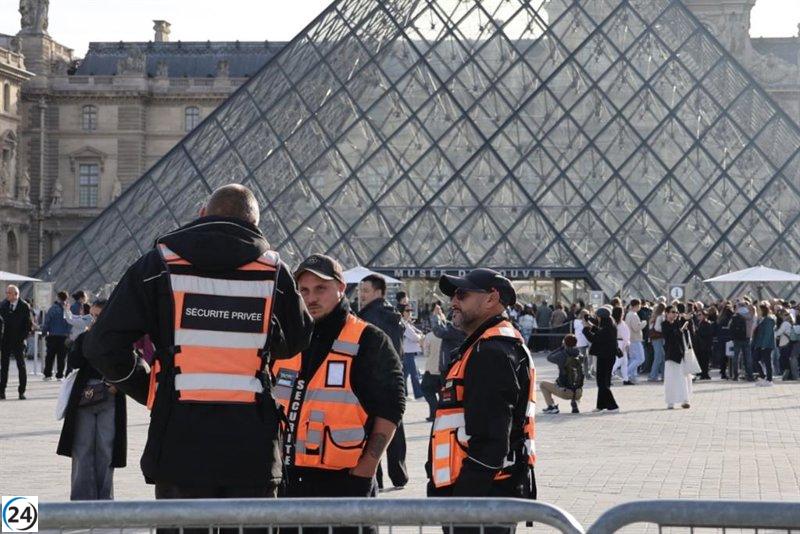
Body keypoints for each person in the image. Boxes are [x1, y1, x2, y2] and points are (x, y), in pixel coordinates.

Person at [84, 184, 313, 501]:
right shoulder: (273, 272)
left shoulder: (158, 265)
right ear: (254, 224)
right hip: (252, 444)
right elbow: (297, 340)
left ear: (202, 214)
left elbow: (102, 345)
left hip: (179, 440)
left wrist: (150, 388)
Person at [272, 254, 404, 523]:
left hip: (344, 484)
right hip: (287, 484)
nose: (311, 298)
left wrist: (367, 468)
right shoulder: (288, 339)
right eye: (304, 290)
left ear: (341, 288)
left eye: (321, 288)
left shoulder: (369, 339)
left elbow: (392, 407)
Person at [428, 268, 536, 513]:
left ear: (491, 298)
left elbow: (491, 441)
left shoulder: (490, 352)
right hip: (484, 495)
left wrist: (462, 503)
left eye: (462, 294)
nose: (453, 301)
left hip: (480, 502)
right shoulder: (486, 345)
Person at [57, 299, 127, 500]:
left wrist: (117, 386)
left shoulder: (120, 339)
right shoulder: (85, 337)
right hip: (83, 398)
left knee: (106, 449)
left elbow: (133, 363)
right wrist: (86, 339)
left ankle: (105, 499)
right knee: (82, 448)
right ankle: (81, 499)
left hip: (110, 397)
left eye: (100, 315)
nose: (95, 319)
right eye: (93, 315)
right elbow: (74, 362)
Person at [357, 273, 408, 489]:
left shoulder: (367, 317)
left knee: (371, 431)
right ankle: (399, 474)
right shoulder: (393, 315)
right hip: (393, 378)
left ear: (378, 292)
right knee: (394, 428)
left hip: (372, 380)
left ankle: (374, 477)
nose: (361, 295)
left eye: (365, 291)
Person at [583, 307, 619, 412]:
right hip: (607, 356)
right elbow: (599, 331)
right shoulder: (609, 324)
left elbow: (594, 338)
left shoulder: (607, 328)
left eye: (597, 317)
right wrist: (590, 323)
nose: (596, 319)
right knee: (602, 381)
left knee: (603, 382)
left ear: (601, 317)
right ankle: (601, 405)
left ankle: (613, 406)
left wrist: (586, 328)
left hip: (606, 357)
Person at [0, 285, 33, 400]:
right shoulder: (3, 305)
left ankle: (21, 391)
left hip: (18, 341)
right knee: (4, 367)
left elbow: (29, 326)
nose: (7, 295)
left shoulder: (24, 306)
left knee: (21, 366)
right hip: (5, 341)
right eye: (6, 292)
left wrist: (22, 337)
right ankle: (2, 391)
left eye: (9, 293)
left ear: (16, 294)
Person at [540, 334, 583, 414]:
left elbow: (549, 357)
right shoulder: (580, 356)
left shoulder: (561, 355)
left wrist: (561, 348)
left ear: (564, 343)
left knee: (543, 384)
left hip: (565, 392)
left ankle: (551, 407)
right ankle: (575, 402)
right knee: (573, 378)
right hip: (578, 392)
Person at [662, 306, 691, 409]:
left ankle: (685, 400)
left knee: (683, 378)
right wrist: (681, 330)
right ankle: (671, 402)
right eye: (673, 312)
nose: (675, 314)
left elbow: (685, 337)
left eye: (676, 312)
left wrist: (685, 328)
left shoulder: (678, 323)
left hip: (680, 354)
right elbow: (670, 337)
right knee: (671, 379)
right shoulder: (664, 324)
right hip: (671, 355)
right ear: (667, 313)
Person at [42, 291, 71, 381]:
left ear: (58, 298)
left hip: (52, 336)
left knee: (50, 356)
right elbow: (70, 323)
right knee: (61, 357)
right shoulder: (67, 309)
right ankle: (59, 375)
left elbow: (47, 322)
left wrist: (44, 332)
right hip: (64, 337)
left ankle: (48, 375)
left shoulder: (53, 309)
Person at [399, 305, 424, 399]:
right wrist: (420, 337)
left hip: (408, 352)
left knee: (404, 374)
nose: (410, 312)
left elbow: (418, 333)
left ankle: (403, 394)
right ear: (402, 312)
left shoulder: (407, 323)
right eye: (407, 311)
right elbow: (415, 337)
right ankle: (418, 394)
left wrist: (419, 335)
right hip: (407, 352)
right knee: (414, 374)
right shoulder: (404, 324)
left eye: (410, 310)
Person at [752, 302, 776, 386]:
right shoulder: (761, 319)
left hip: (766, 345)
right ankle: (763, 376)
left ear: (762, 310)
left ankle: (769, 379)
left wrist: (764, 345)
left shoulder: (769, 320)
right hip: (759, 344)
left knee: (767, 362)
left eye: (758, 310)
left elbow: (767, 333)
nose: (757, 311)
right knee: (755, 359)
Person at [421, 326, 442, 422]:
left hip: (431, 369)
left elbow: (426, 353)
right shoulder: (448, 335)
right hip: (444, 369)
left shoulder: (429, 336)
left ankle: (434, 412)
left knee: (427, 390)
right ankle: (439, 413)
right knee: (441, 391)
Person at [730, 304, 754, 381]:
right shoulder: (750, 315)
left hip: (737, 339)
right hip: (747, 338)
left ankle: (735, 375)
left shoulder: (736, 315)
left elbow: (730, 327)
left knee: (736, 357)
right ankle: (749, 375)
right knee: (748, 357)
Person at [624, 299, 645, 384]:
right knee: (640, 358)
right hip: (635, 339)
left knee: (633, 358)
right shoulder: (634, 315)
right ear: (636, 306)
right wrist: (644, 323)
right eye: (639, 305)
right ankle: (626, 373)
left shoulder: (628, 314)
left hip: (630, 338)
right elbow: (636, 328)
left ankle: (631, 376)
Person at [611, 306, 630, 384]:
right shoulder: (622, 323)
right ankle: (608, 375)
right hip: (621, 343)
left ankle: (626, 379)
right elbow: (625, 336)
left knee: (624, 362)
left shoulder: (613, 322)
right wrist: (625, 345)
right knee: (619, 361)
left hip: (616, 342)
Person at [694, 310, 715, 380]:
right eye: (698, 315)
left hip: (705, 345)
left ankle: (705, 374)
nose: (698, 316)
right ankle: (702, 373)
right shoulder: (698, 323)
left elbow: (707, 334)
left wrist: (697, 331)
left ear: (704, 316)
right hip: (699, 344)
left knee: (705, 360)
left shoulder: (707, 323)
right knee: (701, 359)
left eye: (700, 315)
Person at [647, 303, 666, 382]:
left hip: (654, 338)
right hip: (659, 338)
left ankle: (663, 375)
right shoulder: (660, 317)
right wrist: (664, 330)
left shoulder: (653, 316)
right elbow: (658, 328)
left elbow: (651, 328)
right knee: (659, 358)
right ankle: (653, 376)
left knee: (661, 357)